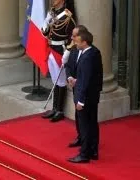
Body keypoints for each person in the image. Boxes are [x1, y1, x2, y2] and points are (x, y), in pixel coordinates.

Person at [67, 30, 103, 163]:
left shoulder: (87, 57)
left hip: (86, 97)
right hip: (92, 96)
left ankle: (84, 154)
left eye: (77, 41)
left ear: (84, 42)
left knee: (85, 126)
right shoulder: (91, 53)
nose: (75, 42)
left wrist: (80, 101)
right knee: (92, 123)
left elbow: (85, 80)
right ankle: (93, 151)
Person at [41, 0, 76, 122]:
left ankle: (60, 110)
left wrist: (68, 51)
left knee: (60, 81)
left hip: (60, 51)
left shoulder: (67, 16)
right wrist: (46, 22)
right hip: (51, 49)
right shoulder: (52, 13)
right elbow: (45, 33)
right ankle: (54, 107)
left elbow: (73, 38)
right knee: (55, 80)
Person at [64, 25, 88, 148]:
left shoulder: (91, 53)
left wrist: (77, 81)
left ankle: (87, 142)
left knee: (86, 118)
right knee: (78, 116)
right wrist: (69, 78)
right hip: (75, 88)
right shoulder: (73, 49)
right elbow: (68, 66)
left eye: (74, 36)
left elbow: (89, 75)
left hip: (85, 91)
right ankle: (80, 137)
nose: (71, 38)